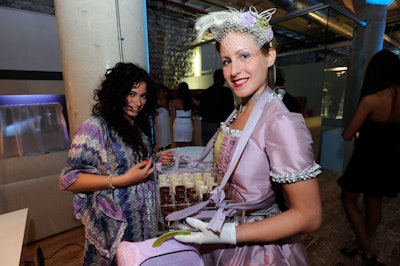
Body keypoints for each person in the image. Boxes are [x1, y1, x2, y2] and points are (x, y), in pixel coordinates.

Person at [171, 6, 322, 265]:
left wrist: (229, 233)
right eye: (227, 61)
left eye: (244, 55)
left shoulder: (281, 122)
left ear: (270, 56)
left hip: (257, 247)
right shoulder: (241, 108)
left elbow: (309, 216)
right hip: (225, 228)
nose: (234, 71)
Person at [59, 62, 171, 265]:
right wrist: (121, 180)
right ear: (117, 93)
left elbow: (129, 162)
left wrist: (155, 161)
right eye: (132, 93)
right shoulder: (95, 127)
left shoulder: (134, 126)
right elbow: (70, 180)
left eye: (143, 95)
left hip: (141, 225)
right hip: (115, 230)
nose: (138, 102)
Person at [337, 49, 400, 266]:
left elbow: (347, 135)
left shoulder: (371, 100)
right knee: (375, 204)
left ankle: (368, 253)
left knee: (348, 199)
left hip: (366, 159)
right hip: (389, 161)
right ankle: (360, 246)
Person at [199, 68, 235, 145]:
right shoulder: (226, 92)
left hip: (206, 123)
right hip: (220, 125)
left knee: (205, 148)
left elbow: (201, 109)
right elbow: (231, 110)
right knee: (219, 149)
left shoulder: (206, 92)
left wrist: (202, 119)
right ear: (224, 79)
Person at [169, 81, 194, 147]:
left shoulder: (174, 102)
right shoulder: (190, 100)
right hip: (188, 122)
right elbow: (200, 104)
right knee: (188, 146)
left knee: (178, 147)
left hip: (178, 123)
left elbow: (173, 116)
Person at [155, 84, 172, 151]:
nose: (166, 93)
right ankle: (167, 148)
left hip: (159, 119)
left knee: (160, 135)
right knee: (166, 134)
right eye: (164, 92)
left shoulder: (156, 101)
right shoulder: (163, 101)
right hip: (163, 120)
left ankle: (160, 149)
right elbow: (168, 110)